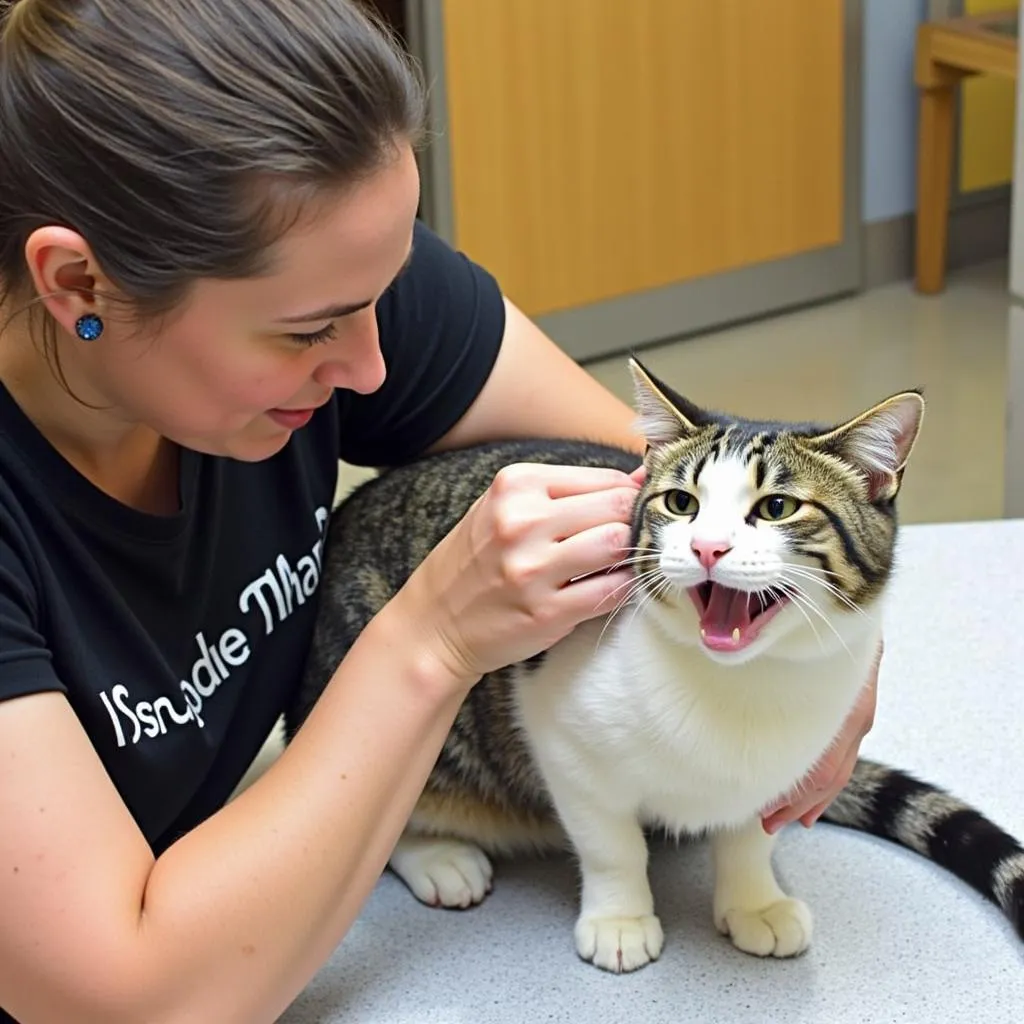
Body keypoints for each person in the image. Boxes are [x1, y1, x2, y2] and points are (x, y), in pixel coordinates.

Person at [0, 1, 880, 1020]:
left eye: (385, 287)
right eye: (309, 331)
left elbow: (651, 486)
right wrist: (432, 636)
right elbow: (134, 1003)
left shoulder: (322, 264)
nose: (372, 365)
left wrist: (818, 644)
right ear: (77, 281)